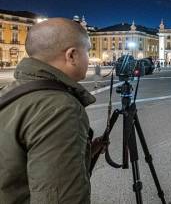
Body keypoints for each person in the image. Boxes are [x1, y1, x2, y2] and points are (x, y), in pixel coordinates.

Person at [0, 18, 107, 204]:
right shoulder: (60, 108)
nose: (89, 58)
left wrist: (83, 153)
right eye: (87, 51)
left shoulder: (9, 91)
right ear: (72, 55)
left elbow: (15, 164)